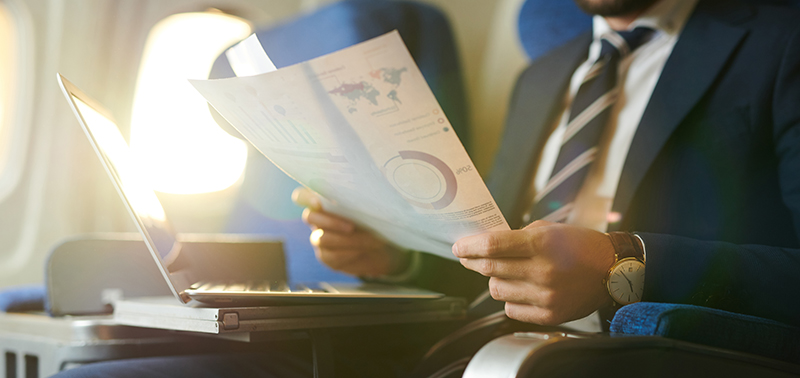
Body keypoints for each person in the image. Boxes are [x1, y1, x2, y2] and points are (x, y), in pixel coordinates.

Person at [56, 0, 800, 376]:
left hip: (610, 361)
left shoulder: (778, 37)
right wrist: (393, 255)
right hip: (460, 341)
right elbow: (490, 258)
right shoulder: (545, 76)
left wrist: (619, 265)